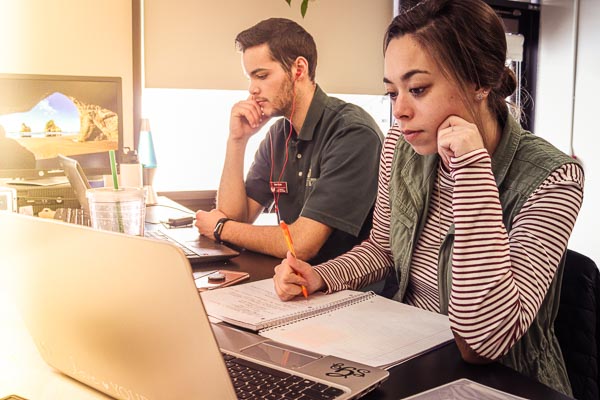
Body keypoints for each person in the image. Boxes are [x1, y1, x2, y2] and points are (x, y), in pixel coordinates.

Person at [273, 0, 584, 396]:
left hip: (505, 379)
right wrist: (321, 275)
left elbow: (484, 343)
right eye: (392, 92)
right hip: (413, 353)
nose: (400, 111)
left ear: (480, 82)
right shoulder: (398, 149)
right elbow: (383, 248)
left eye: (417, 89)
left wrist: (472, 170)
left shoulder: (554, 177)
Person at [195, 18, 384, 264]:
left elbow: (303, 244)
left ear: (299, 70)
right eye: (250, 78)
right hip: (296, 283)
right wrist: (237, 141)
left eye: (261, 76)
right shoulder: (278, 135)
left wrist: (219, 228)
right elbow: (236, 218)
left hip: (351, 291)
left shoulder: (352, 133)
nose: (252, 89)